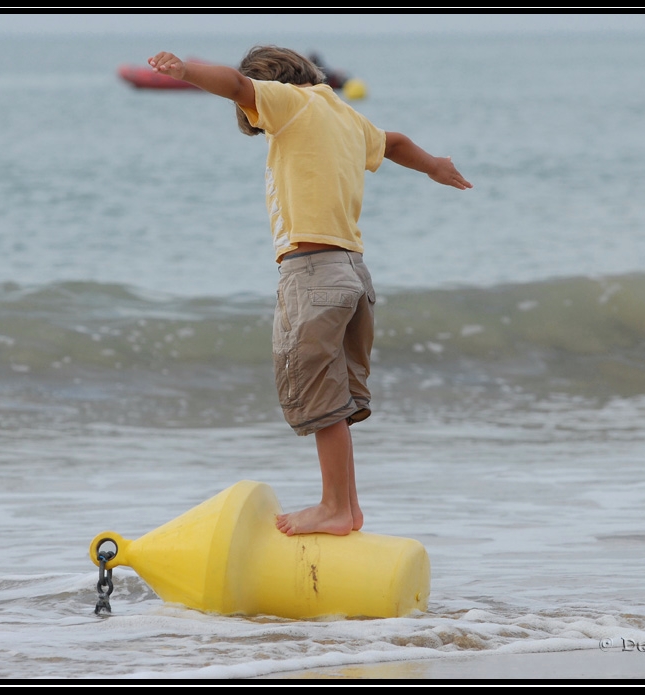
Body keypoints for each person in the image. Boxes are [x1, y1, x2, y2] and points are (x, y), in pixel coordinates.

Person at [148, 46, 472, 537]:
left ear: (269, 83)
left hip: (313, 271)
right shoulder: (344, 114)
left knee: (317, 397)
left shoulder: (288, 102)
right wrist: (433, 166)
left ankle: (334, 508)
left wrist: (185, 70)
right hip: (353, 271)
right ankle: (347, 508)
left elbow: (237, 87)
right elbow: (397, 141)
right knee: (334, 398)